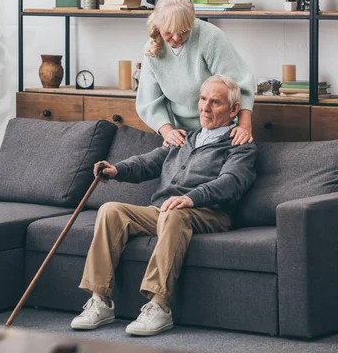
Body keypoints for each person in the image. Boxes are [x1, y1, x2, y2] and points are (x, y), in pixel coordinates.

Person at [71, 75, 257, 336]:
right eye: (203, 99)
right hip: (163, 210)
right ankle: (100, 300)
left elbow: (232, 182)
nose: (205, 107)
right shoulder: (186, 137)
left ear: (234, 110)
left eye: (215, 102)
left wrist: (193, 197)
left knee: (174, 214)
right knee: (111, 210)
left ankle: (159, 306)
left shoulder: (239, 144)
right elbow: (149, 162)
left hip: (208, 213)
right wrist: (116, 170)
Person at [136, 0, 256, 148]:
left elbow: (240, 84)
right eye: (169, 32)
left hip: (219, 132)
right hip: (182, 136)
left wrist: (244, 126)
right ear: (158, 25)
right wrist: (168, 132)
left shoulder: (211, 38)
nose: (177, 38)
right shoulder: (152, 48)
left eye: (184, 31)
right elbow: (149, 101)